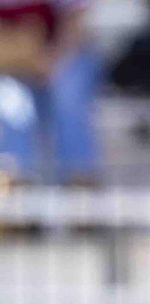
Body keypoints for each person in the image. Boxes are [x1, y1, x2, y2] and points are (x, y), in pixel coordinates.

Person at [0, 0, 100, 183]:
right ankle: (13, 175)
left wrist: (51, 61)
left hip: (66, 51)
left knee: (67, 94)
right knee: (11, 96)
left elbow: (74, 22)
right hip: (12, 61)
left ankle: (79, 175)